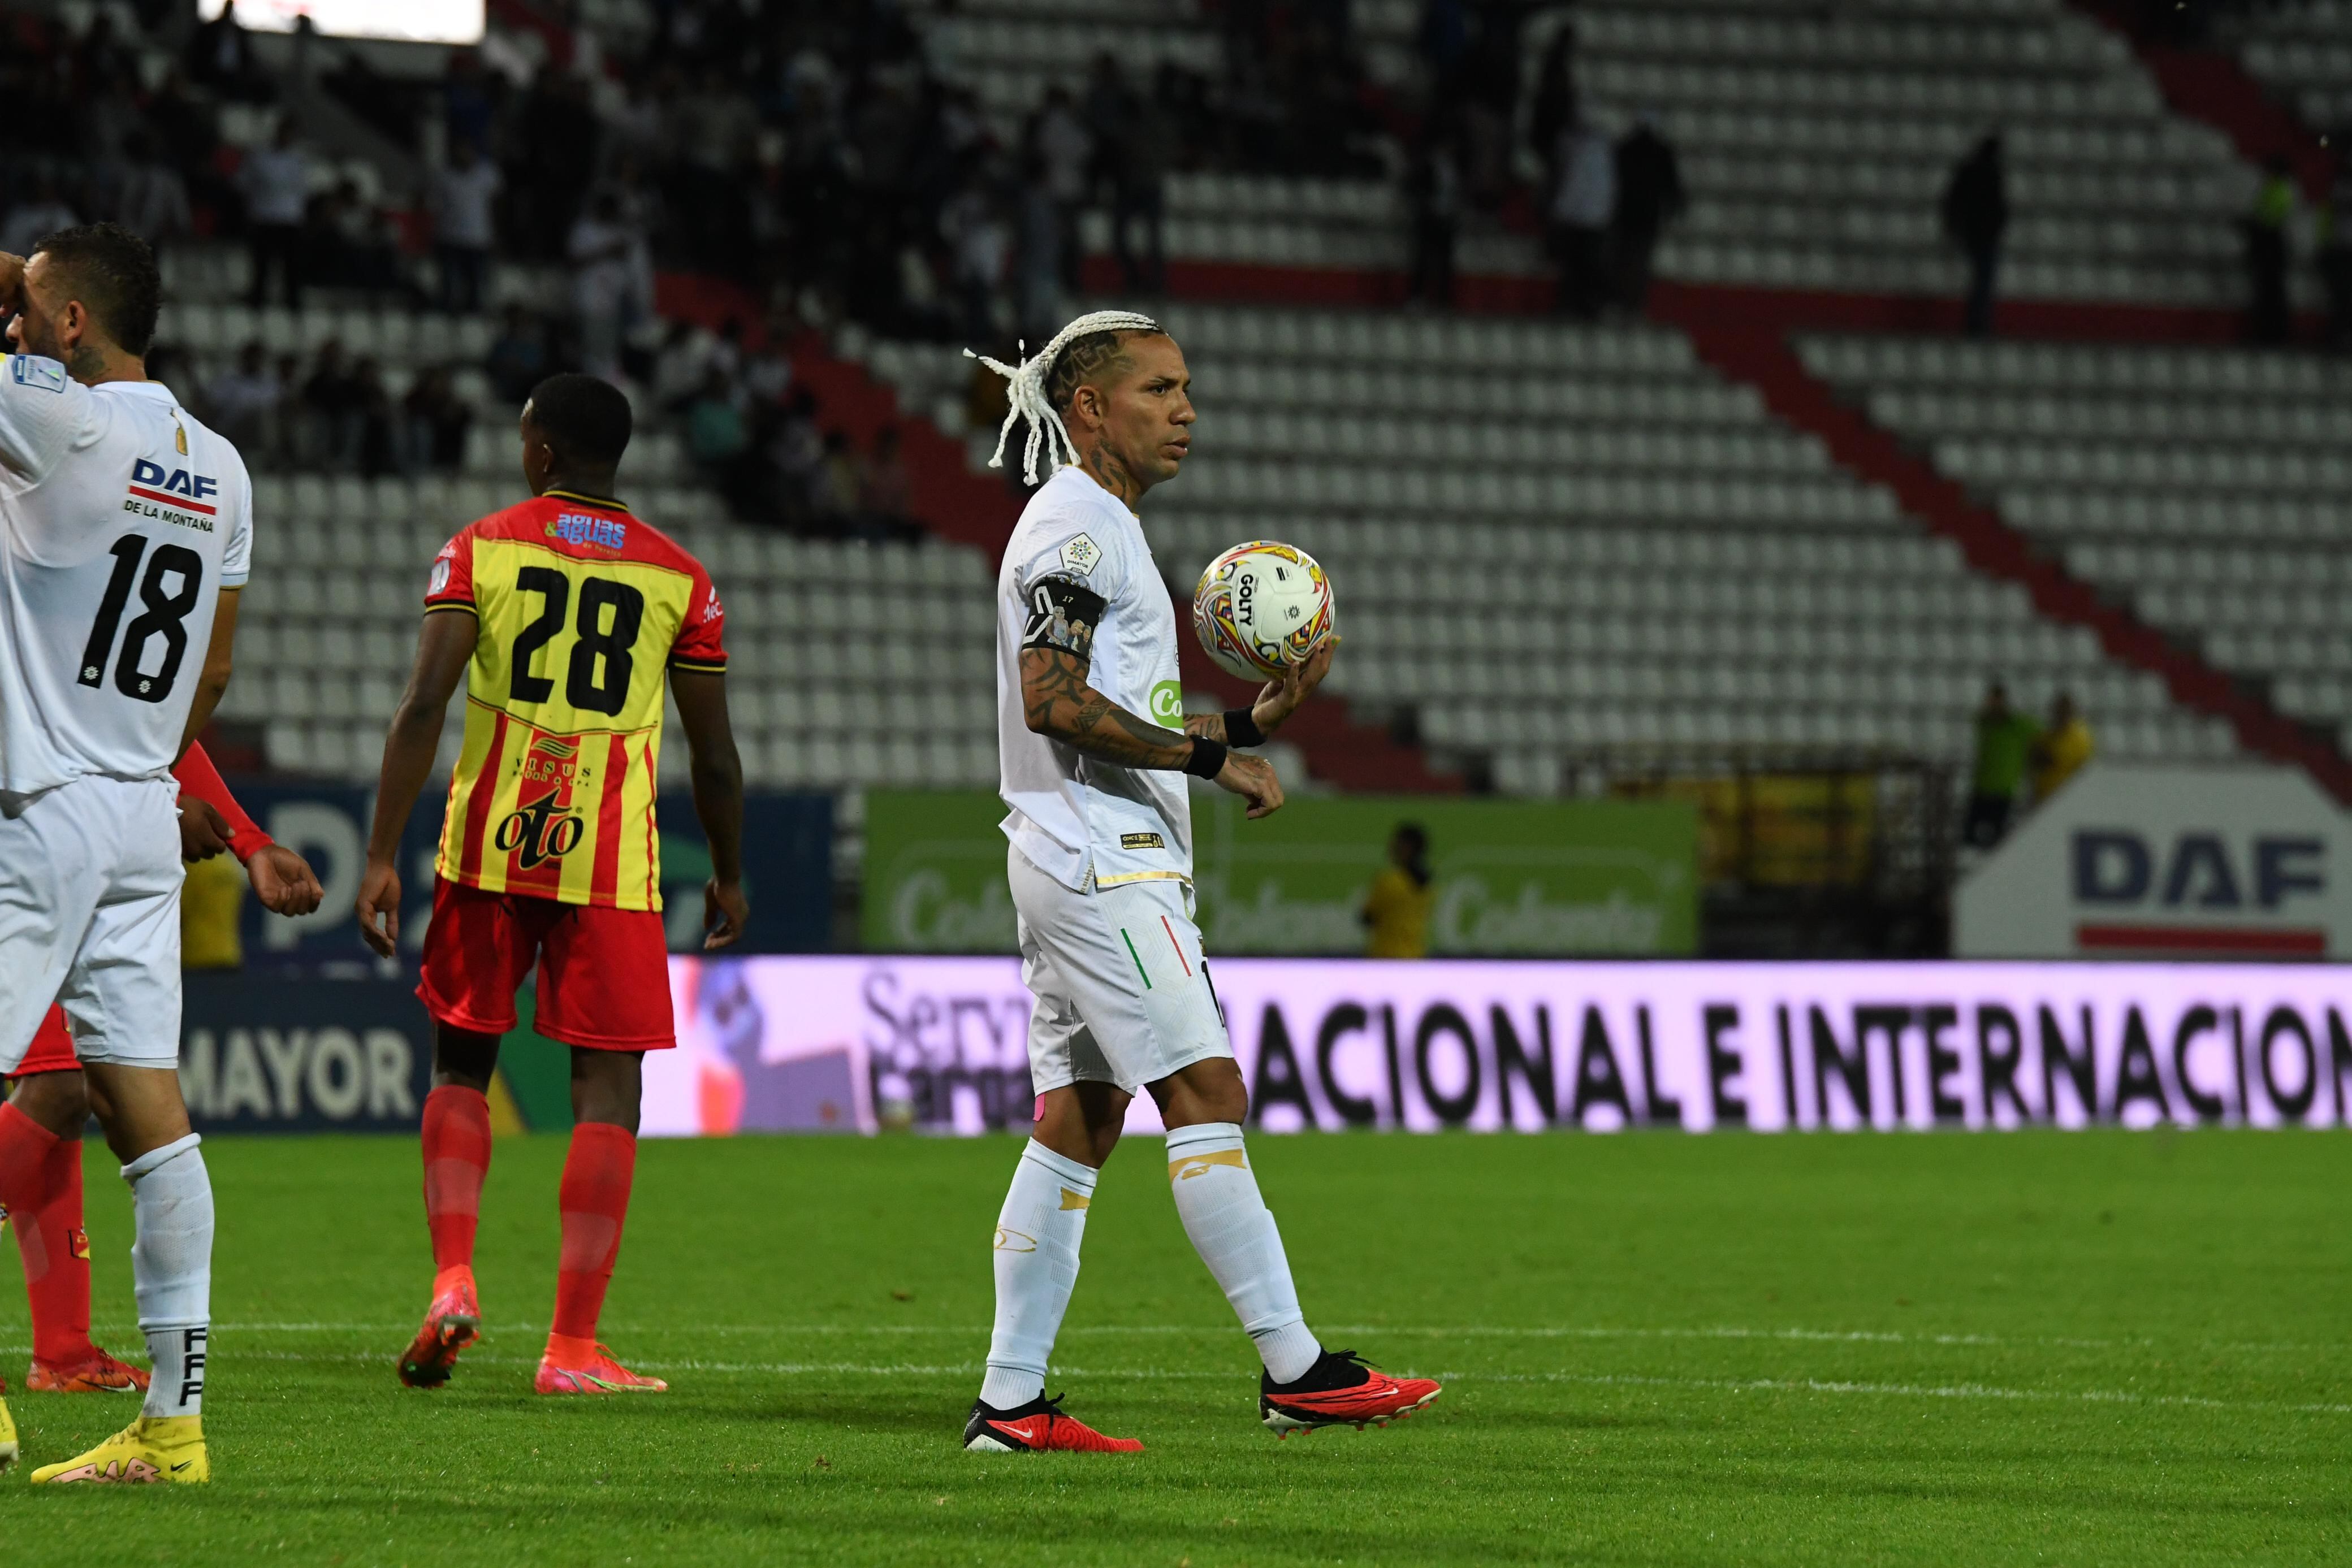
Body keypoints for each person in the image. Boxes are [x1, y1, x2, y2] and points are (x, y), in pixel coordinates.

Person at [960, 310, 1439, 1454]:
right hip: (1100, 862)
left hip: (1074, 852)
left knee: (1078, 1120)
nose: (1186, 410)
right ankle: (1296, 1369)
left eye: (1187, 390)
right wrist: (1218, 760)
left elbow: (1115, 705)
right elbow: (1052, 699)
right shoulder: (1076, 529)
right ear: (1088, 408)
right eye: (1159, 390)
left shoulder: (1106, 529)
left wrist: (1242, 718)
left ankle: (1010, 1404)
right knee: (1206, 1092)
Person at [354, 373, 748, 1398]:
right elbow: (715, 754)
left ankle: (451, 1278)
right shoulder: (681, 578)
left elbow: (422, 705)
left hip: (486, 845)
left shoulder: (480, 544)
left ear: (539, 451)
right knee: (608, 1087)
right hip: (609, 858)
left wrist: (378, 853)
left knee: (460, 1064)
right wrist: (733, 870)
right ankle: (572, 1346)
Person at [0, 223, 255, 1484]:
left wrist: (15, 278)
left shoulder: (55, 422)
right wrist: (143, 750)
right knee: (153, 1121)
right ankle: (174, 1423)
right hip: (141, 815)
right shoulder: (221, 465)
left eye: (28, 309)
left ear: (67, 326)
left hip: (37, 806)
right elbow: (215, 661)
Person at [5, 747, 319, 1400]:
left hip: (69, 851)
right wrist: (151, 811)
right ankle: (66, 1353)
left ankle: (63, 1349)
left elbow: (161, 721)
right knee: (61, 1087)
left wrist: (246, 839)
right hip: (34, 851)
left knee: (62, 1086)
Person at [1613, 116, 1684, 312]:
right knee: (1637, 260)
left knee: (1626, 258)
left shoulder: (1625, 150)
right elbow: (1672, 185)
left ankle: (1624, 301)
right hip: (1645, 217)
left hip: (1627, 214)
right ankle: (1632, 302)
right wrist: (1675, 207)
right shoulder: (1660, 152)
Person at [239, 121, 310, 310]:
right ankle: (257, 300)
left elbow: (303, 190)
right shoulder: (259, 157)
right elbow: (243, 185)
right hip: (264, 218)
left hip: (289, 219)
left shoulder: (298, 159)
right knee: (262, 265)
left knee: (291, 266)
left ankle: (292, 303)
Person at [1549, 118, 1616, 319]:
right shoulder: (1601, 151)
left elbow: (1573, 188)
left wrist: (1561, 212)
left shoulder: (1584, 151)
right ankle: (1580, 305)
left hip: (1582, 220)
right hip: (1590, 220)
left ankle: (1580, 305)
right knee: (1582, 266)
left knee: (1581, 267)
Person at [1943, 134, 2007, 339]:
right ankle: (1977, 325)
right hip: (1982, 235)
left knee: (1981, 281)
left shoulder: (1971, 171)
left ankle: (1976, 324)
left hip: (1975, 234)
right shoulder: (1989, 174)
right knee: (1983, 281)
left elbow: (1954, 201)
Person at [1965, 679, 2040, 848]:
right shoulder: (1985, 723)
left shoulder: (2018, 725)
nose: (1993, 704)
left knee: (1998, 837)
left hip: (2004, 790)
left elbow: (2039, 734)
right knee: (1969, 835)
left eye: (1996, 700)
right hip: (1982, 786)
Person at [431, 140, 501, 316]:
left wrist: (497, 232)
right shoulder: (445, 176)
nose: (464, 156)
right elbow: (436, 207)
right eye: (460, 151)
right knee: (449, 281)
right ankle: (446, 312)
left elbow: (497, 205)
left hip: (478, 238)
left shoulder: (487, 174)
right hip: (449, 237)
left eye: (467, 151)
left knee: (476, 282)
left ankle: (473, 315)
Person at [1407, 131, 1462, 307]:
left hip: (1447, 218)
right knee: (1424, 259)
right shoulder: (1428, 164)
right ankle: (1417, 297)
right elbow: (1416, 188)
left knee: (1445, 261)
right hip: (1430, 218)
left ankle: (1442, 299)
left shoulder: (1456, 166)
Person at [1361, 824, 1434, 959]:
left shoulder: (1389, 881)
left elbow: (1367, 917)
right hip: (1415, 956)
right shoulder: (1429, 886)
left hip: (1385, 957)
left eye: (1397, 843)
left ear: (1407, 848)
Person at [2245, 157, 2294, 346]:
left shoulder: (2282, 190)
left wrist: (2254, 224)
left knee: (2272, 291)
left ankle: (2274, 333)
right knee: (2266, 290)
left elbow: (2269, 218)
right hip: (2266, 244)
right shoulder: (2271, 188)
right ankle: (2267, 332)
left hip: (2272, 244)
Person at [2030, 692, 2094, 805]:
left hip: (2069, 798)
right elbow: (2035, 762)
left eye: (2064, 711)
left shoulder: (2081, 738)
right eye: (2058, 710)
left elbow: (2084, 769)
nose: (2061, 714)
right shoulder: (2045, 736)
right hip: (2044, 795)